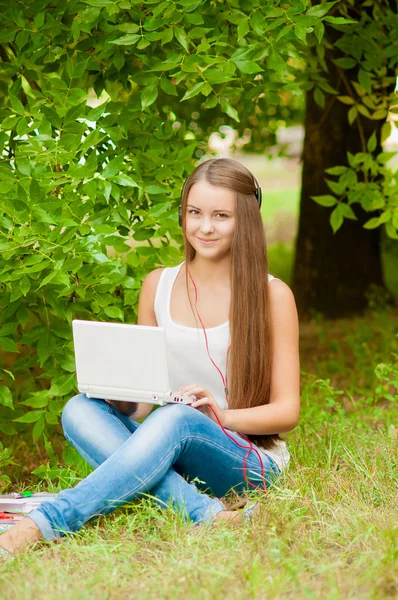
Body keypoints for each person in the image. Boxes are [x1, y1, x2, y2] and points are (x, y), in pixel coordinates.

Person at [0, 158, 300, 558]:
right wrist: (117, 394)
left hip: (245, 458)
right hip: (167, 445)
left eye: (220, 216)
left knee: (175, 418)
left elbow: (287, 411)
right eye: (194, 213)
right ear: (182, 213)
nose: (204, 227)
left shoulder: (272, 295)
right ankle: (206, 514)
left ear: (245, 217)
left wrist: (220, 418)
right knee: (78, 409)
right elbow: (143, 406)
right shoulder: (157, 285)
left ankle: (43, 522)